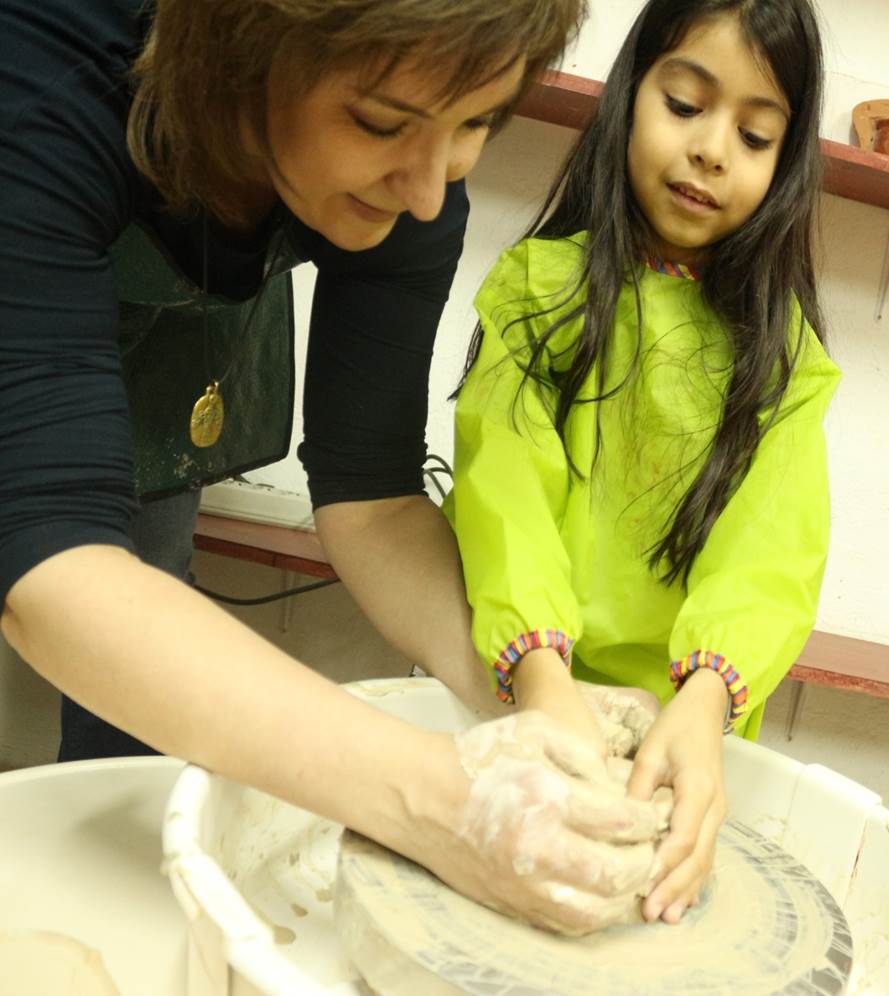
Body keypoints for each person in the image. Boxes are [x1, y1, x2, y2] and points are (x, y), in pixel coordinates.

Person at [0, 0, 664, 935]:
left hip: (132, 361)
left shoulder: (411, 178)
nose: (431, 188)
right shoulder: (50, 72)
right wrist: (441, 803)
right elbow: (51, 562)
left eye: (477, 122)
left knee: (142, 655)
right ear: (237, 52)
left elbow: (375, 494)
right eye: (383, 124)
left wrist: (530, 695)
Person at [445, 0, 837, 926]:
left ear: (785, 166)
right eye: (685, 104)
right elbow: (504, 498)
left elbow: (769, 555)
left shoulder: (783, 362)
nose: (710, 151)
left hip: (688, 724)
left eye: (752, 133)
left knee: (645, 931)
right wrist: (544, 689)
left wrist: (704, 707)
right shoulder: (542, 294)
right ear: (629, 97)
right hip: (530, 683)